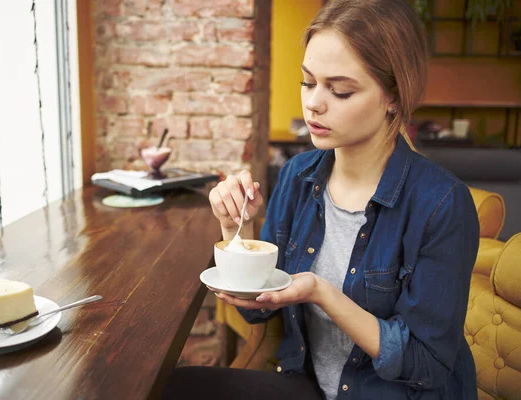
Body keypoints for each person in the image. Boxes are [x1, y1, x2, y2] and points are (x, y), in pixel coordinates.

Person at [163, 0, 480, 399]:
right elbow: (258, 308)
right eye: (308, 82)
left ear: (393, 97)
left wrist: (322, 293)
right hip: (311, 386)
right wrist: (236, 229)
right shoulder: (299, 175)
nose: (313, 103)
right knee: (173, 386)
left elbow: (428, 364)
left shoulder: (442, 204)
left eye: (340, 90)